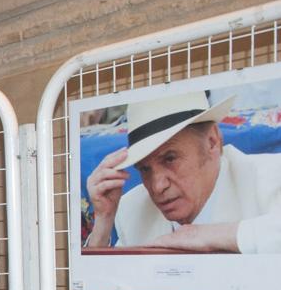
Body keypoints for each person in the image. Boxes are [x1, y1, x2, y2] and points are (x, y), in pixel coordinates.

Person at [85, 90, 281, 253]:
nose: (157, 186)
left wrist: (209, 235)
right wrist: (102, 226)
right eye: (145, 169)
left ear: (212, 142)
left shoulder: (271, 177)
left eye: (170, 159)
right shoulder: (132, 210)